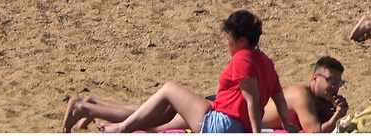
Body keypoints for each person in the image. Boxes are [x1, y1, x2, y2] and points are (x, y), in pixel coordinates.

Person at [62, 10, 294, 134]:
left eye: (228, 39)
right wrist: (286, 123)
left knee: (169, 90)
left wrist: (254, 134)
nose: (226, 44)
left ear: (242, 40)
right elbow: (279, 97)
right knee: (164, 112)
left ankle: (118, 127)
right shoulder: (265, 60)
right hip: (226, 120)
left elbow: (252, 101)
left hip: (222, 125)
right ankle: (91, 109)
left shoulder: (243, 58)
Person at [260, 56, 349, 133]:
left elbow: (324, 120)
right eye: (331, 81)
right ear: (315, 78)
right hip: (253, 127)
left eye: (338, 83)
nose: (335, 87)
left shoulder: (321, 96)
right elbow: (316, 132)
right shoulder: (301, 96)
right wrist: (339, 113)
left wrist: (337, 110)